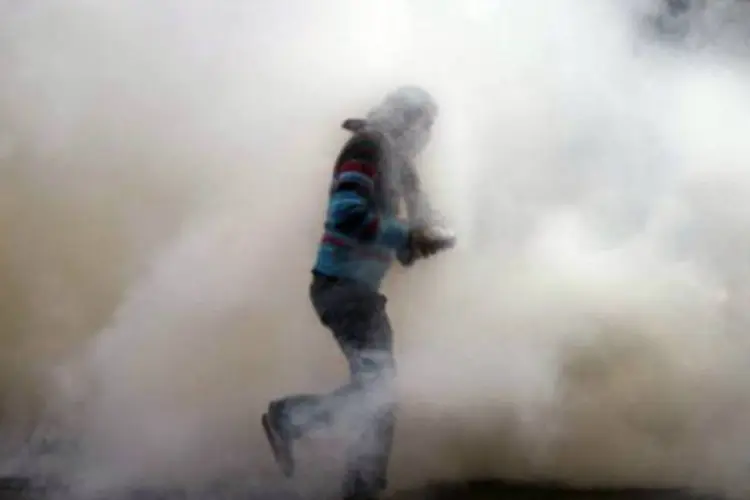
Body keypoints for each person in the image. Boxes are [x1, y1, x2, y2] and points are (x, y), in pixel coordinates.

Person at [261, 86, 455, 500]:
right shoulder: (367, 149)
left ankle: (320, 446)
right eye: (426, 125)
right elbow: (348, 215)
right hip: (344, 291)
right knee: (380, 394)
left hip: (355, 291)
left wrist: (421, 242)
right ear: (408, 120)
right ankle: (297, 424)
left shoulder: (394, 161)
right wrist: (411, 233)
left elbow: (394, 239)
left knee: (377, 393)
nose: (428, 137)